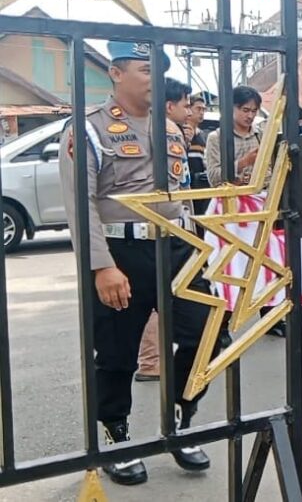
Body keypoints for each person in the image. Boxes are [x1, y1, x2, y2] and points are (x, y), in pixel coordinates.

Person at [58, 41, 215, 486]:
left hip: (177, 248)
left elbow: (183, 195)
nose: (155, 79)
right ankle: (116, 434)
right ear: (116, 73)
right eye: (146, 70)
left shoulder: (170, 127)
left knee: (205, 332)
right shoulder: (89, 128)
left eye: (159, 70)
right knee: (116, 351)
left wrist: (197, 243)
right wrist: (100, 266)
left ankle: (180, 419)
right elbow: (80, 203)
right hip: (121, 253)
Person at [204, 86, 286, 338]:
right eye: (244, 110)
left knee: (266, 264)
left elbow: (271, 170)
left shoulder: (261, 135)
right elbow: (213, 176)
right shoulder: (217, 138)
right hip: (230, 210)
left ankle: (270, 318)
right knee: (230, 268)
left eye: (253, 110)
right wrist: (243, 164)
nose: (249, 115)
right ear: (231, 109)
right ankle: (222, 325)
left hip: (259, 206)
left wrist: (263, 185)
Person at [136, 78, 195, 383]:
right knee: (163, 298)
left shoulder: (149, 128)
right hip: (169, 225)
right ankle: (152, 361)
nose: (190, 111)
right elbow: (176, 186)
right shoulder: (167, 131)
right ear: (169, 106)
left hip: (156, 224)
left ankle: (151, 359)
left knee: (156, 297)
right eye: (186, 105)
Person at [186, 92, 210, 215]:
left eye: (203, 109)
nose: (201, 112)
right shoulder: (179, 132)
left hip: (202, 187)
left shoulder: (202, 135)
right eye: (198, 109)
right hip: (186, 187)